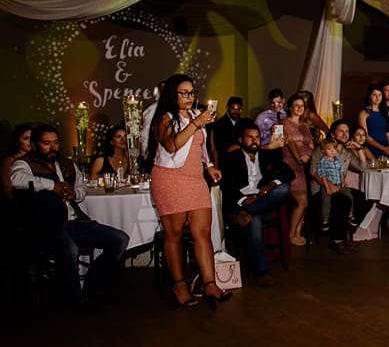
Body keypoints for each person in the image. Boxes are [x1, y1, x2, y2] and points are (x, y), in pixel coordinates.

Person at [10, 124, 129, 305]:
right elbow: (17, 179)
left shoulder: (66, 164)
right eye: (46, 143)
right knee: (69, 248)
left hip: (73, 222)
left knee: (119, 239)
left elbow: (81, 187)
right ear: (34, 145)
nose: (52, 147)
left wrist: (75, 193)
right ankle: (74, 300)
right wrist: (52, 186)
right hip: (46, 225)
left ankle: (92, 287)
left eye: (56, 143)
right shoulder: (24, 164)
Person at [146, 73, 229, 309]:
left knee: (202, 231)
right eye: (184, 93)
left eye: (192, 92)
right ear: (172, 94)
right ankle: (179, 285)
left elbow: (200, 146)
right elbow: (172, 145)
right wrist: (196, 123)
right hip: (170, 178)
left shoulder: (195, 116)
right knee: (173, 233)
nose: (189, 97)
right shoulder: (164, 117)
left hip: (195, 179)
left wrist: (209, 165)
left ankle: (210, 283)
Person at [220, 119, 294, 286]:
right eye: (250, 137)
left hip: (262, 200)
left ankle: (247, 212)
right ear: (241, 140)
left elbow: (289, 173)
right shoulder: (233, 158)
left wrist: (271, 185)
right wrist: (244, 200)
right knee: (255, 220)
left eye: (257, 137)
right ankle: (262, 273)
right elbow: (227, 185)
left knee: (284, 189)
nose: (254, 141)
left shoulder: (266, 155)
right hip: (241, 202)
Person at [315, 138, 359, 254]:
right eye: (329, 149)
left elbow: (346, 170)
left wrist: (344, 181)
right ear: (324, 151)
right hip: (327, 185)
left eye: (334, 149)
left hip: (339, 184)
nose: (332, 151)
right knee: (329, 200)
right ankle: (327, 222)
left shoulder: (339, 158)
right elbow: (320, 175)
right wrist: (328, 187)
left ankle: (350, 218)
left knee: (354, 196)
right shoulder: (323, 160)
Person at [281, 93, 314, 246]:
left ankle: (298, 233)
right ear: (290, 107)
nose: (300, 108)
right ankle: (291, 233)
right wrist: (300, 157)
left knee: (305, 202)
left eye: (302, 106)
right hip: (291, 165)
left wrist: (309, 155)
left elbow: (311, 145)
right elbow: (289, 143)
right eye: (297, 105)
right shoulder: (283, 124)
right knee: (302, 201)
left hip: (305, 166)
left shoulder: (304, 125)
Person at [359, 84, 389, 158]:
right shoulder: (364, 113)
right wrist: (383, 148)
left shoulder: (386, 113)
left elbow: (388, 134)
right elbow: (365, 136)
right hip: (371, 148)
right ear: (369, 96)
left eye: (379, 95)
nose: (377, 97)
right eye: (374, 95)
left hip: (386, 148)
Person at [2, 123, 33, 203]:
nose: (30, 141)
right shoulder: (9, 161)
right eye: (26, 138)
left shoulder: (36, 159)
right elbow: (6, 186)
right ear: (17, 142)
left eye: (32, 137)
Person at [210, 96, 243, 167]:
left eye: (238, 109)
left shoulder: (244, 123)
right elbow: (216, 149)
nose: (236, 112)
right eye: (233, 108)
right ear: (227, 108)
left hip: (241, 163)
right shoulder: (219, 124)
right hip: (224, 163)